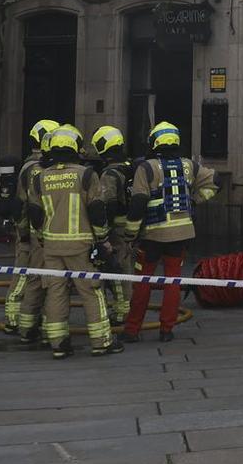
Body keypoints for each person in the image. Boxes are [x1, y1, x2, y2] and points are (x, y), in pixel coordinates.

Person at [27, 124, 121, 359]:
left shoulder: (40, 178)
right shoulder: (86, 175)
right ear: (76, 148)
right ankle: (101, 342)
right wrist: (102, 239)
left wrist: (41, 238)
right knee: (91, 291)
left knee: (55, 292)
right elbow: (97, 210)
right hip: (81, 245)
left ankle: (58, 344)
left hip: (51, 246)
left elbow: (35, 215)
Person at [122, 120, 220, 345]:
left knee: (143, 282)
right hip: (181, 235)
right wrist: (194, 201)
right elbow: (216, 181)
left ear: (154, 142)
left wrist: (129, 235)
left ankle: (132, 330)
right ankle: (167, 330)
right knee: (172, 281)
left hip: (152, 236)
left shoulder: (146, 168)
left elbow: (138, 203)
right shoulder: (189, 165)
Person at [3, 119, 57, 338]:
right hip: (33, 234)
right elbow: (27, 204)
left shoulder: (33, 165)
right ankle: (15, 319)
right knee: (26, 275)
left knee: (36, 277)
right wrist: (24, 234)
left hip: (35, 232)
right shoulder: (36, 168)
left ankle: (27, 321)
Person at [90, 125, 135, 330]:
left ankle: (121, 311)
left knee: (116, 269)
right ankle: (125, 307)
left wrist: (103, 232)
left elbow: (108, 204)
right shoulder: (130, 166)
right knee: (126, 268)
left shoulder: (110, 173)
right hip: (130, 226)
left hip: (116, 229)